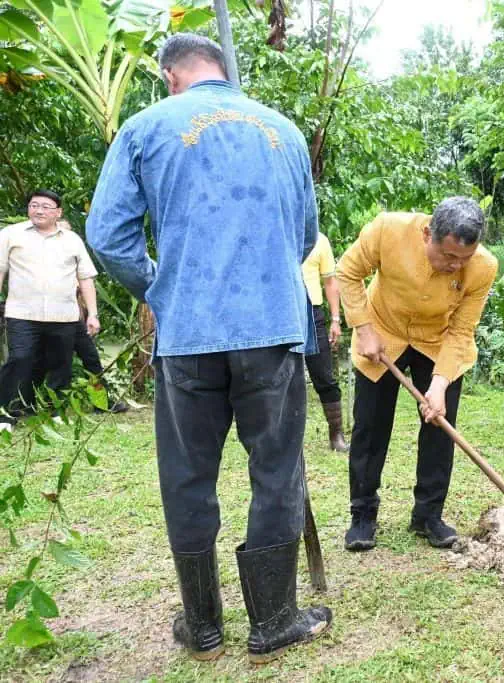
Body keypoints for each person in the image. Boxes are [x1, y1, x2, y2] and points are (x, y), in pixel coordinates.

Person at [86, 34, 330, 664]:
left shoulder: (146, 127)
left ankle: (203, 628)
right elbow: (304, 236)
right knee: (276, 469)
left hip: (188, 336)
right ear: (219, 68)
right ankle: (273, 621)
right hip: (271, 331)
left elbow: (108, 237)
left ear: (171, 75)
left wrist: (163, 288)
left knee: (187, 476)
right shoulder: (284, 132)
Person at [337, 197, 497, 551]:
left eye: (463, 259)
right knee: (370, 427)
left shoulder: (483, 267)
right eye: (448, 256)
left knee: (439, 428)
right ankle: (362, 515)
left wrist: (439, 385)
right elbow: (347, 272)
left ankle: (428, 516)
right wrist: (363, 329)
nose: (455, 266)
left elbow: (461, 330)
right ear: (428, 233)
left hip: (436, 342)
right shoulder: (387, 230)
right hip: (381, 333)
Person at [0, 190, 100, 427]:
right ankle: (6, 414)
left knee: (60, 364)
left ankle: (56, 412)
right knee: (20, 359)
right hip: (22, 314)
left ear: (58, 212)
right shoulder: (10, 234)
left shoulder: (72, 240)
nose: (39, 210)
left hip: (63, 315)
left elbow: (86, 277)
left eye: (46, 206)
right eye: (34, 205)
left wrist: (93, 314)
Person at [301, 232, 347, 451]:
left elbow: (330, 281)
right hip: (280, 314)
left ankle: (336, 435)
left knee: (324, 376)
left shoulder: (319, 240)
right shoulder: (276, 232)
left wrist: (336, 320)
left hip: (311, 313)